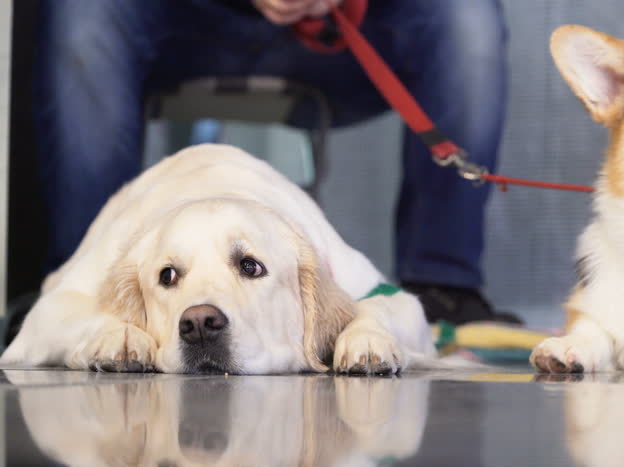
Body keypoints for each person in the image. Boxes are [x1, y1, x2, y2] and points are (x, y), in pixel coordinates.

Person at [26, 0, 520, 330]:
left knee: (465, 14)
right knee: (82, 12)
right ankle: (84, 296)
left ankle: (444, 289)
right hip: (181, 23)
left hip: (348, 34)